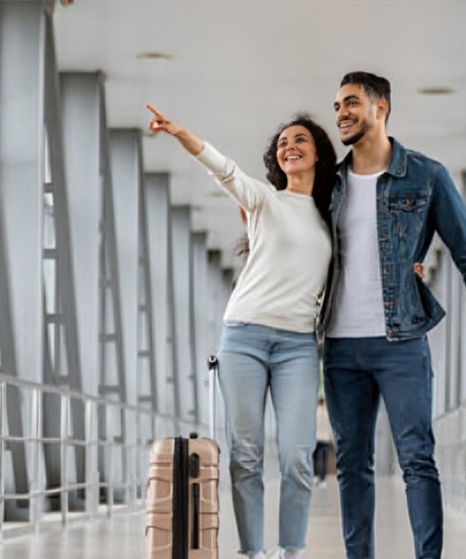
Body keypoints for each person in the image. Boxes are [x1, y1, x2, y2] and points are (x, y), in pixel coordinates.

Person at [318, 71, 466, 559]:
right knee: (353, 464)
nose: (341, 112)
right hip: (339, 345)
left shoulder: (426, 175)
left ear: (381, 108)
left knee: (418, 459)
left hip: (401, 339)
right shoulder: (328, 184)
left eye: (352, 103)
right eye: (337, 104)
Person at [148, 104, 337, 559]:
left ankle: (291, 550)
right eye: (282, 143)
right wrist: (179, 132)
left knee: (295, 455)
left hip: (297, 346)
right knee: (247, 455)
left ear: (318, 155)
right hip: (244, 337)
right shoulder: (262, 199)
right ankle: (252, 553)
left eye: (300, 140)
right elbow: (222, 168)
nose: (289, 147)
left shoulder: (332, 217)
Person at [313, 397, 332, 488]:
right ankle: (322, 478)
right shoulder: (327, 413)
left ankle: (316, 476)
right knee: (324, 459)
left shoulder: (315, 412)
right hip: (325, 438)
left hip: (317, 437)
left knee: (315, 458)